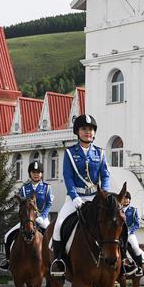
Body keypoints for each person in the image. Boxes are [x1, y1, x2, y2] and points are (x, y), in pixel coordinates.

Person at [50, 114, 110, 276]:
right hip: (75, 197)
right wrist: (75, 196)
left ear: (94, 133)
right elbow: (68, 177)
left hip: (95, 198)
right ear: (77, 132)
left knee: (114, 221)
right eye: (84, 129)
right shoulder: (70, 153)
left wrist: (103, 193)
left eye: (90, 129)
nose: (88, 132)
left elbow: (105, 176)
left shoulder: (100, 153)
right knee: (59, 225)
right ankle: (58, 261)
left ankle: (122, 259)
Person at [0, 161, 53, 271]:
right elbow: (22, 205)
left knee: (53, 237)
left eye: (38, 172)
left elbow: (49, 204)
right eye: (33, 172)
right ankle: (8, 261)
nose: (36, 174)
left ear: (41, 174)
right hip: (27, 219)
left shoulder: (47, 188)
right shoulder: (24, 188)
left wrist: (43, 216)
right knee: (7, 236)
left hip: (41, 218)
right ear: (30, 174)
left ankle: (54, 261)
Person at [121, 191, 144, 277]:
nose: (125, 200)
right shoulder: (118, 210)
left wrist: (129, 231)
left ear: (129, 200)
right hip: (119, 234)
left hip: (129, 234)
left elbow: (136, 224)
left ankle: (139, 267)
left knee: (135, 247)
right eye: (124, 198)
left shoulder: (133, 210)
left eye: (127, 198)